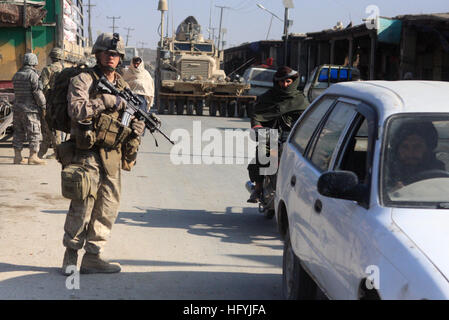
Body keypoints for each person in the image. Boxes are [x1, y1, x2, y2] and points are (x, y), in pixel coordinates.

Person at [61, 33, 145, 275]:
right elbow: (76, 110)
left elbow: (128, 117)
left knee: (108, 208)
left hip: (112, 155)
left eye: (116, 54)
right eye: (108, 53)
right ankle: (70, 257)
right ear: (97, 54)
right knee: (83, 204)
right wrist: (104, 101)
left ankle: (93, 257)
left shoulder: (123, 85)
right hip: (86, 152)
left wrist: (136, 128)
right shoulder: (84, 79)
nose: (112, 57)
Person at [247, 66, 309, 203]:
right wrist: (257, 127)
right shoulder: (267, 97)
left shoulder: (301, 100)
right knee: (263, 154)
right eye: (282, 82)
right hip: (270, 134)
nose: (285, 85)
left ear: (294, 81)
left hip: (293, 137)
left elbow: (308, 119)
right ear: (277, 82)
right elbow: (256, 115)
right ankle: (257, 189)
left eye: (288, 81)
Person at [387, 121, 445, 191]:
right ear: (397, 149)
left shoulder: (437, 169)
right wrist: (392, 192)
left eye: (417, 146)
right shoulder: (385, 169)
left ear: (427, 148)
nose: (410, 153)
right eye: (405, 147)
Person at [11, 53, 47, 165]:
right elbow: (37, 92)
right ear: (33, 62)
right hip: (30, 110)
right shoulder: (33, 75)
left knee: (18, 132)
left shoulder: (16, 75)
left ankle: (17, 157)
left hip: (17, 109)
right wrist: (43, 105)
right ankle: (33, 157)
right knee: (34, 132)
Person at [38, 47, 65, 159]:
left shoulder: (47, 69)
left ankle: (55, 152)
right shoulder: (64, 69)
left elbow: (43, 86)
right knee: (56, 127)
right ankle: (46, 152)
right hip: (60, 102)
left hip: (49, 102)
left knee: (47, 127)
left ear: (52, 57)